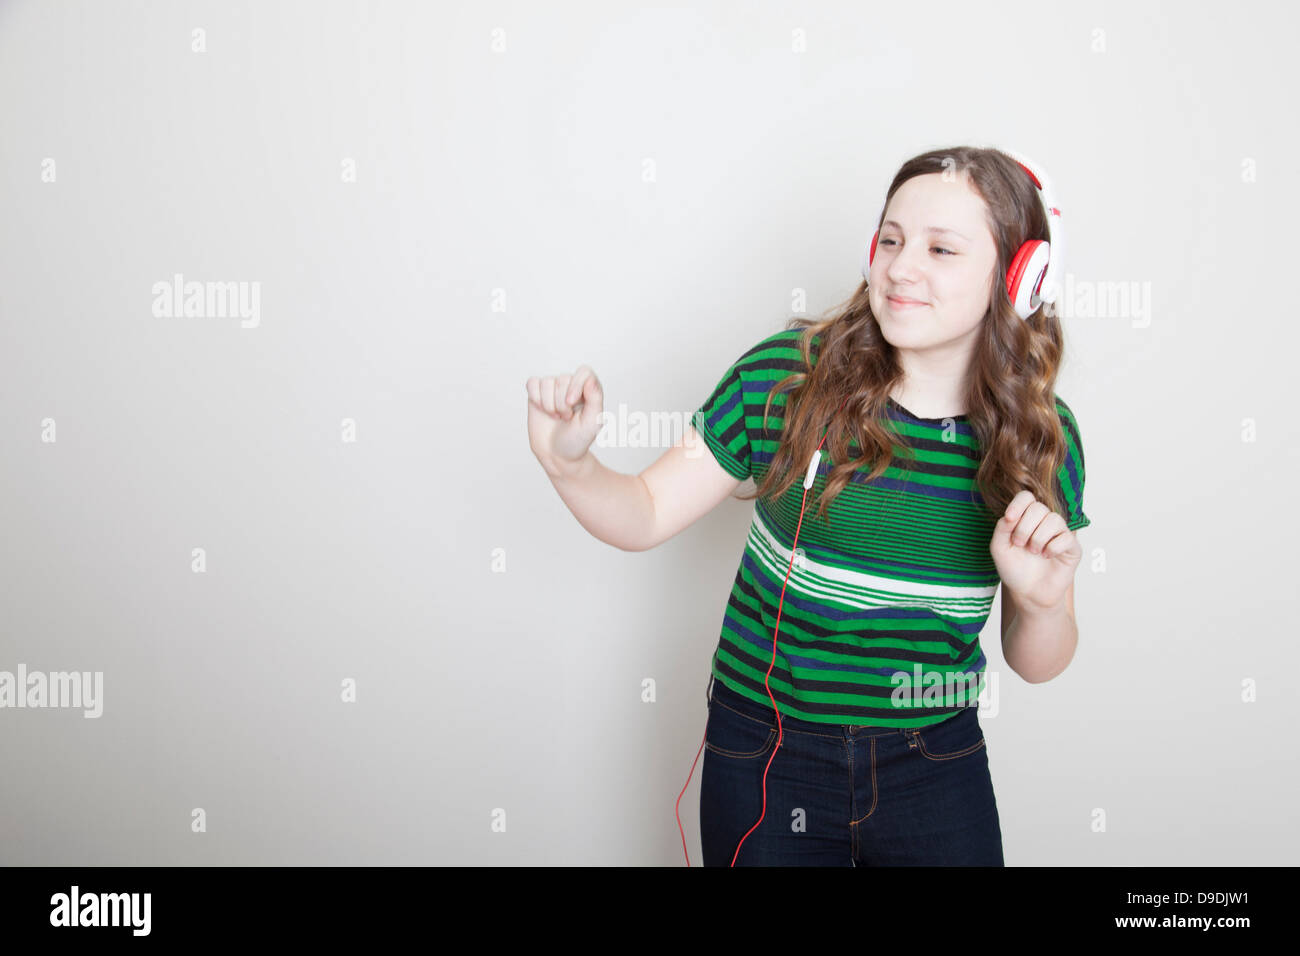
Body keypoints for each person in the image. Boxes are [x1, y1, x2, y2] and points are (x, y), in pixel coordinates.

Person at [524, 145, 1090, 866]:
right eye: (890, 239)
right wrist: (569, 464)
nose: (900, 267)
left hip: (934, 762)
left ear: (1020, 279)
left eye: (941, 249)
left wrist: (1042, 605)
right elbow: (642, 511)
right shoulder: (783, 380)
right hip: (765, 751)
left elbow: (1037, 662)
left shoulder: (1041, 439)